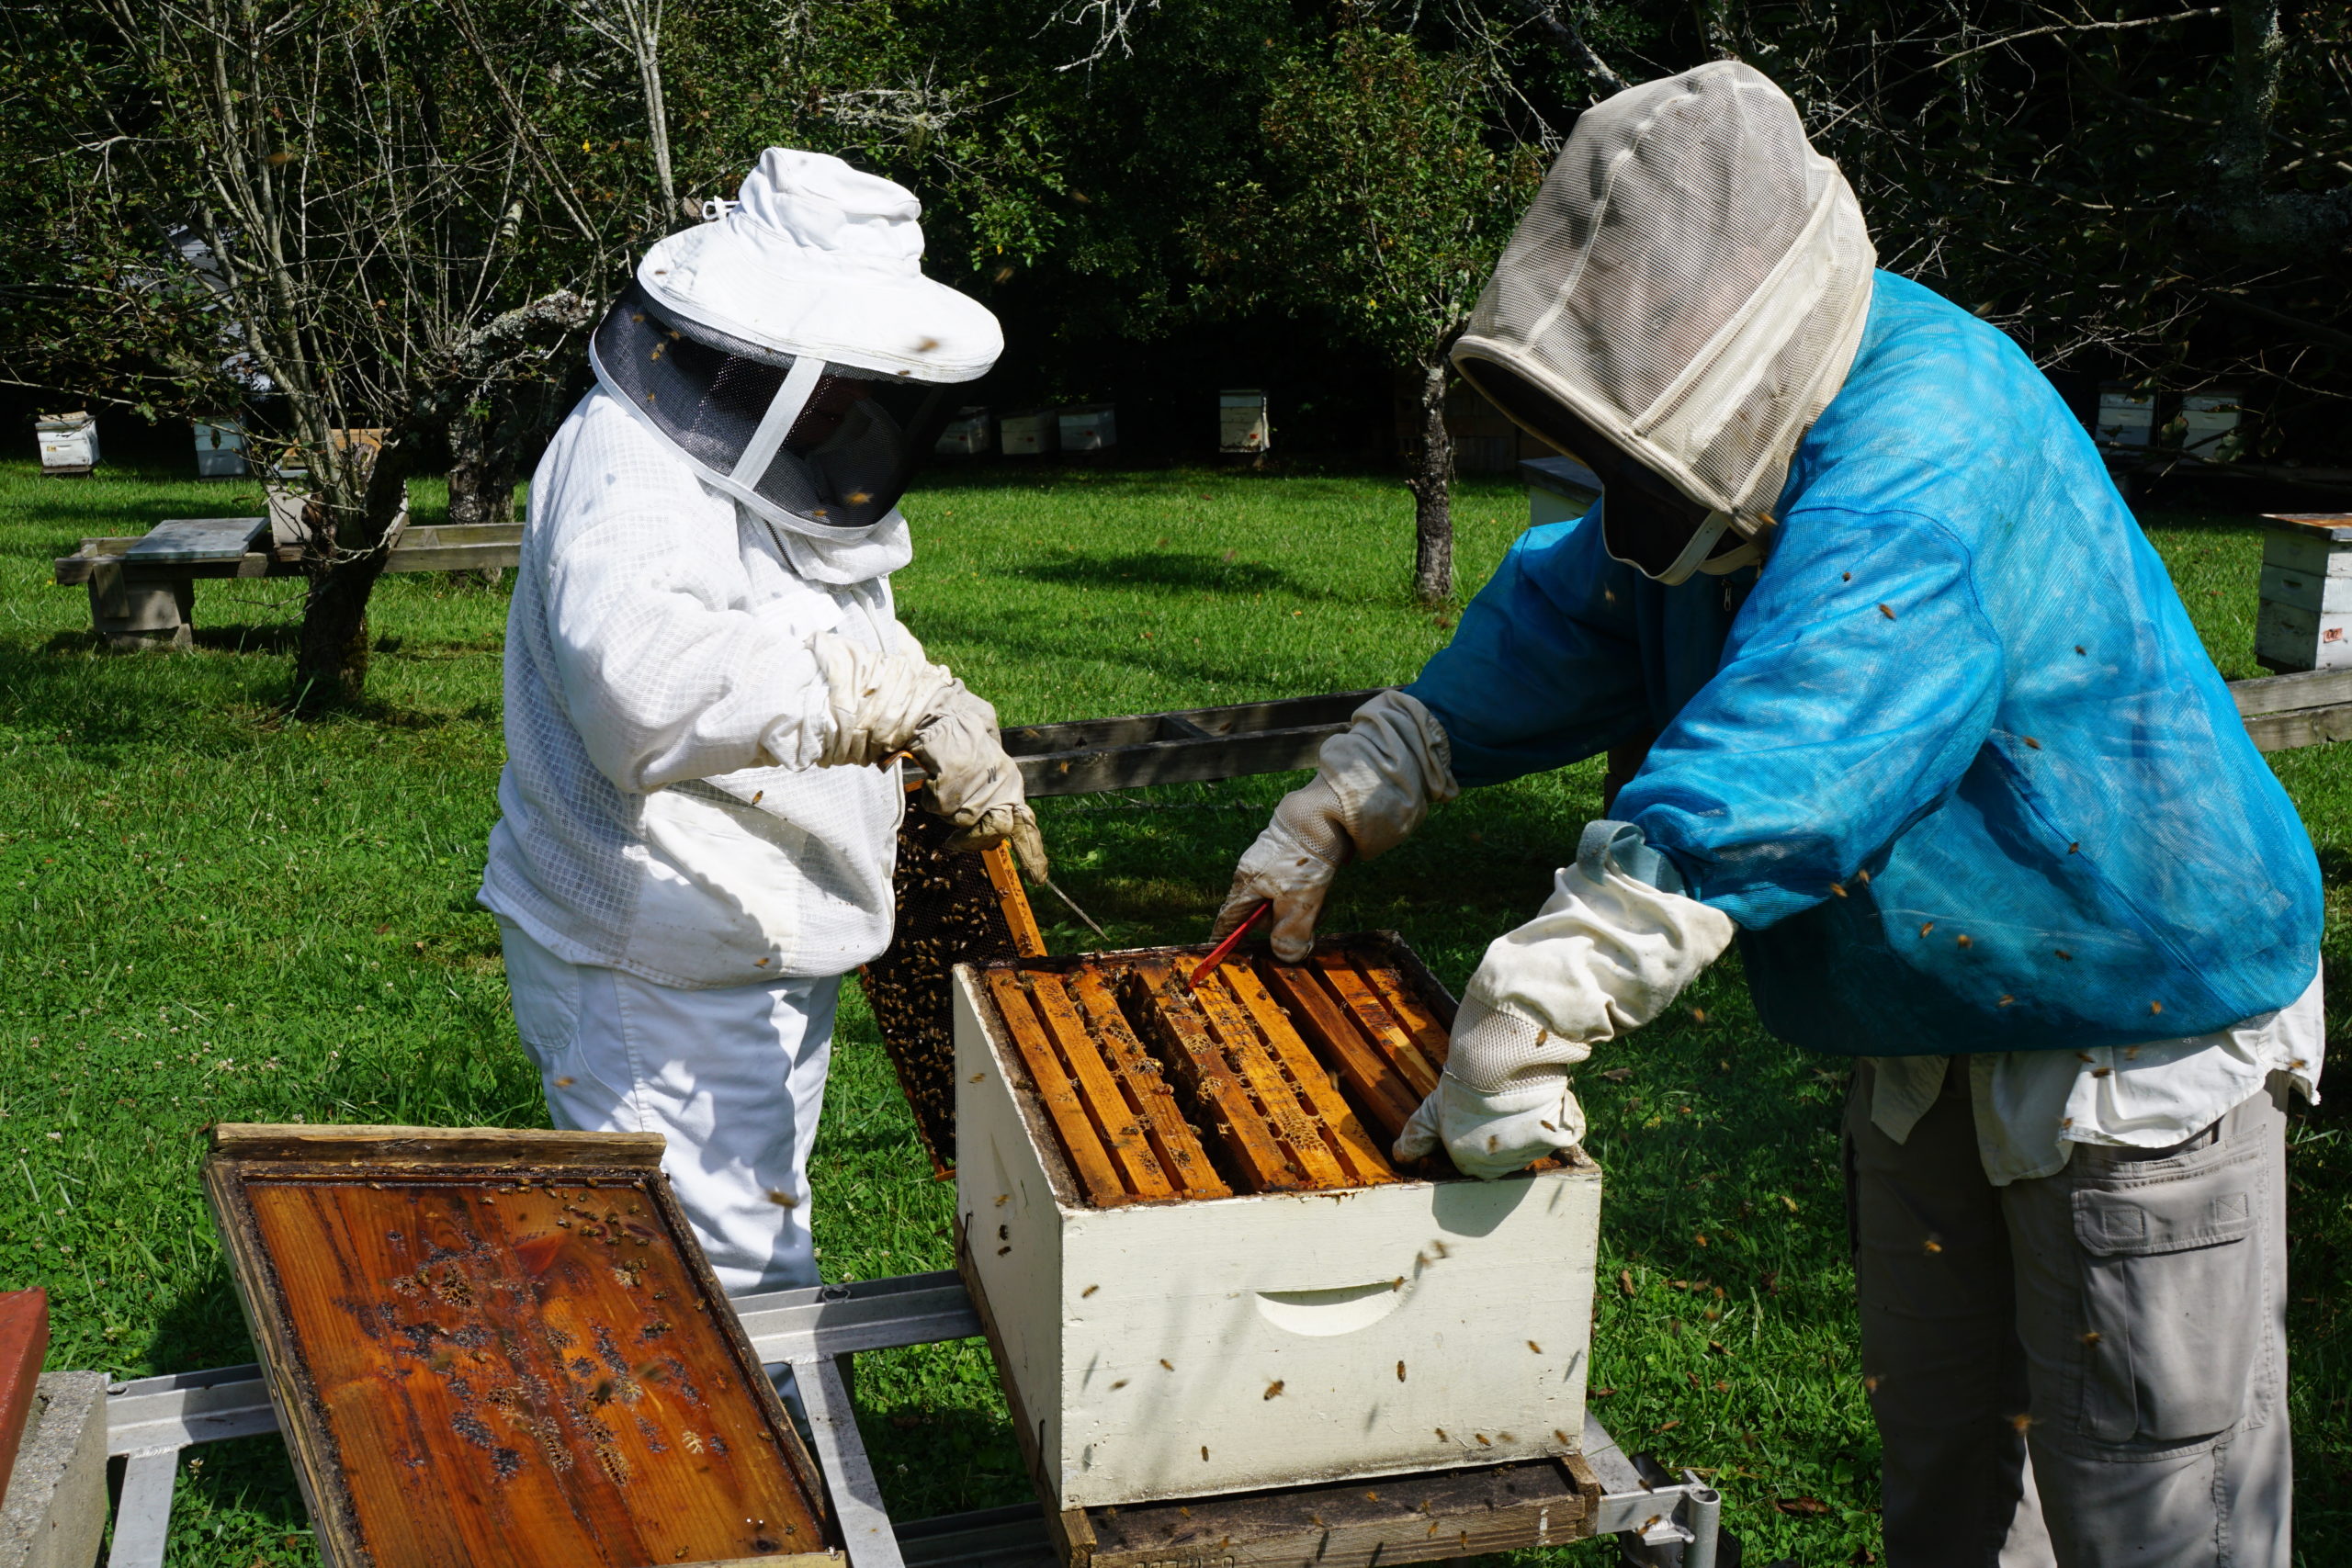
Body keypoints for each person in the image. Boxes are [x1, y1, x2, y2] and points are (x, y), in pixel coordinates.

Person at [1213, 62, 2320, 1568]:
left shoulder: (1934, 426)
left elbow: (1817, 708)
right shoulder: (1723, 455)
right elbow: (1585, 600)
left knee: (2147, 1511)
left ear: (1747, 327)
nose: (1619, 472)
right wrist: (1376, 771)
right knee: (1950, 1484)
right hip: (1922, 1029)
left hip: (2130, 1030)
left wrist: (1564, 970)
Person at [481, 148, 1042, 1296]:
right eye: (842, 368)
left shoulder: (770, 456)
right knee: (719, 1281)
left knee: (760, 1221)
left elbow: (825, 622)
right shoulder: (628, 461)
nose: (858, 404)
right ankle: (731, 1477)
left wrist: (939, 712)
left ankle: (746, 1462)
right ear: (764, 349)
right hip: (655, 952)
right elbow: (638, 687)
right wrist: (891, 707)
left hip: (763, 924)